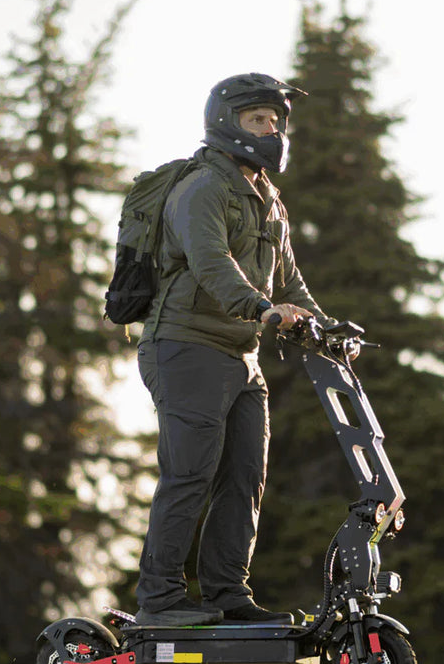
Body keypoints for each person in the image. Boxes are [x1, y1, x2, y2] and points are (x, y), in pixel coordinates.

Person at [134, 73, 334, 627]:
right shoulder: (202, 188)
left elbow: (289, 282)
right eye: (258, 121)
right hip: (184, 345)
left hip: (241, 357)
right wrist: (262, 309)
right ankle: (160, 599)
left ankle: (227, 595)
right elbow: (209, 261)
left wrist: (324, 325)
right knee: (190, 472)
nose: (271, 130)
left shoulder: (268, 198)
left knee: (245, 475)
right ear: (226, 123)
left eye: (276, 121)